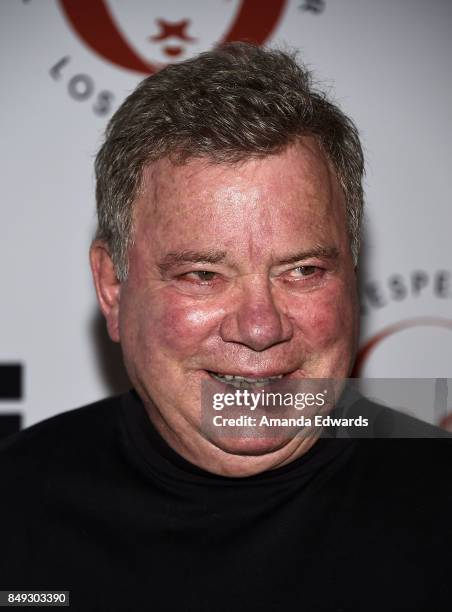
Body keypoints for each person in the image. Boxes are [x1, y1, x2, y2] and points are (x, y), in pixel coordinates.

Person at [0, 43, 451, 611]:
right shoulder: (14, 510)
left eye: (303, 270)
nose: (260, 328)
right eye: (203, 274)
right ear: (113, 286)